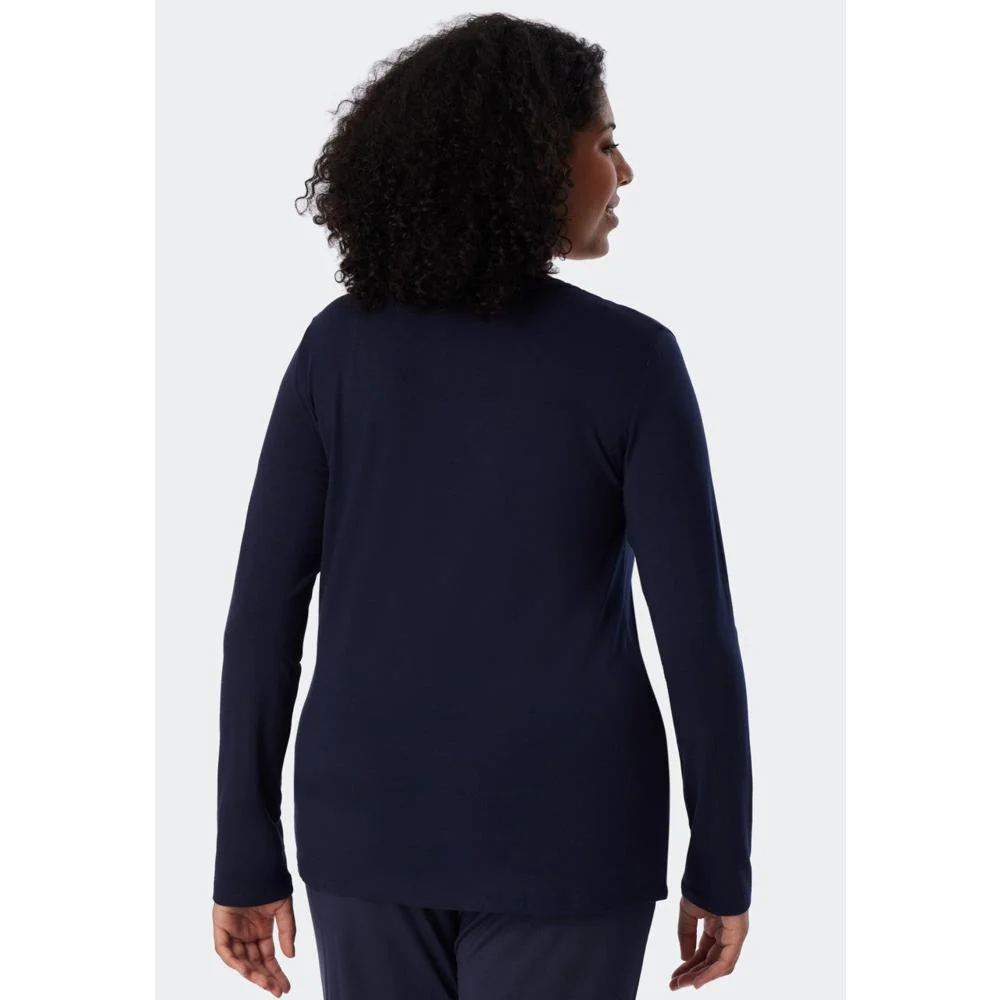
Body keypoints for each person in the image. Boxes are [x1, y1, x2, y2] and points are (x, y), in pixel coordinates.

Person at [211, 12, 752, 999]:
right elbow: (697, 634)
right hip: (573, 833)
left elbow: (261, 620)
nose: (623, 172)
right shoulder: (632, 360)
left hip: (367, 825)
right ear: (532, 159)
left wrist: (245, 851)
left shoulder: (339, 349)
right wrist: (721, 859)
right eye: (605, 143)